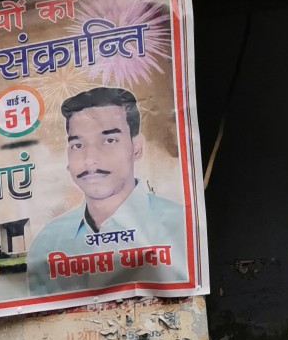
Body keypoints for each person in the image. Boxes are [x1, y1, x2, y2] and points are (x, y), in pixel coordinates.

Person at [27, 87, 189, 295]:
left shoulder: (181, 226)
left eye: (109, 140)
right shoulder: (47, 243)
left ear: (136, 147)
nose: (90, 159)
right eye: (77, 145)